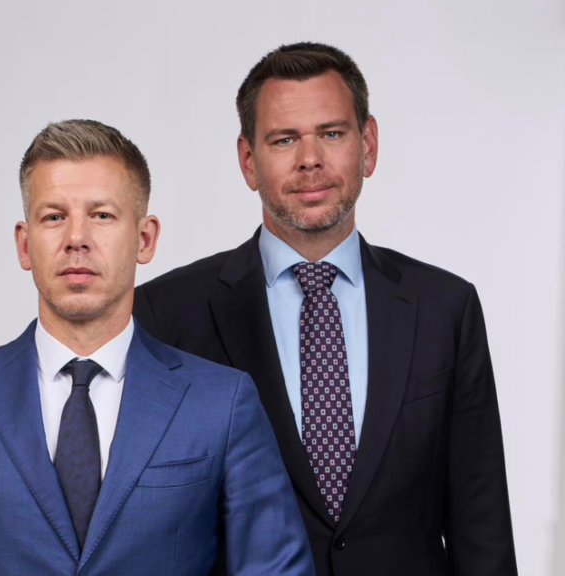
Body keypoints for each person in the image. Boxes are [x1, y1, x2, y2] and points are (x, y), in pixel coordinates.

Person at [0, 119, 313, 576]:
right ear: (25, 244)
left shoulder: (222, 403)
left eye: (101, 215)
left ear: (144, 239)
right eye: (54, 217)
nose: (76, 239)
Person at [133, 42, 517, 576]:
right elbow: (151, 530)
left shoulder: (445, 308)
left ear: (368, 145)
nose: (309, 159)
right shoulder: (167, 313)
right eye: (284, 139)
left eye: (332, 134)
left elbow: (482, 525)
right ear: (248, 160)